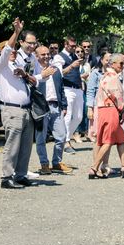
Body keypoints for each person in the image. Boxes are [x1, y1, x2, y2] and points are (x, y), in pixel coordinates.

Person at [0, 18, 55, 189]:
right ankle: (7, 177)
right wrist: (16, 32)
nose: (12, 51)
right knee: (12, 145)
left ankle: (20, 174)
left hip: (26, 109)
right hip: (12, 109)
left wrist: (31, 75)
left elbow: (34, 81)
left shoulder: (17, 67)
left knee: (26, 145)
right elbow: (7, 49)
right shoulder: (0, 66)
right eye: (9, 50)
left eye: (14, 50)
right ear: (2, 53)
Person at [90, 53, 124, 178]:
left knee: (120, 139)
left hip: (103, 109)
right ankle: (94, 168)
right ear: (113, 64)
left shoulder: (104, 76)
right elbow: (117, 96)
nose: (123, 66)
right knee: (107, 141)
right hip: (110, 110)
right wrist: (123, 109)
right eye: (121, 63)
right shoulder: (113, 77)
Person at [34, 46, 72, 175]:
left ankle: (57, 162)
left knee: (61, 135)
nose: (46, 56)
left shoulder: (56, 70)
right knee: (41, 137)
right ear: (36, 55)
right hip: (40, 107)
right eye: (42, 54)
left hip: (55, 106)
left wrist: (64, 105)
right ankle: (44, 164)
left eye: (47, 54)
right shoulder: (34, 71)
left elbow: (61, 89)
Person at [52, 36, 84, 154]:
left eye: (75, 46)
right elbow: (58, 72)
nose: (74, 48)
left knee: (79, 117)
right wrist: (71, 66)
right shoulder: (59, 57)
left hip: (77, 88)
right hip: (67, 88)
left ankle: (66, 136)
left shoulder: (74, 55)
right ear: (65, 45)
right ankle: (66, 142)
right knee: (67, 116)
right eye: (71, 46)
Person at [87, 51, 112, 177]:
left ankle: (105, 165)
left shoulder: (114, 74)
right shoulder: (95, 73)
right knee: (98, 139)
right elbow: (90, 91)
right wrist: (90, 108)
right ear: (101, 60)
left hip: (111, 109)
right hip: (98, 108)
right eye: (107, 59)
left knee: (108, 138)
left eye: (111, 59)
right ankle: (95, 166)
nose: (109, 62)